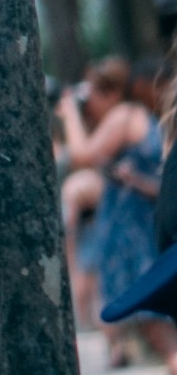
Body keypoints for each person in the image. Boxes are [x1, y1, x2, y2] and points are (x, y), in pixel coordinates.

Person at [60, 56, 177, 371]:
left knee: (154, 323)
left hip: (133, 233)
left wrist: (69, 112)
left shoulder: (124, 116)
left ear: (112, 92)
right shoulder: (147, 117)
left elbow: (81, 156)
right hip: (144, 226)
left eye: (93, 95)